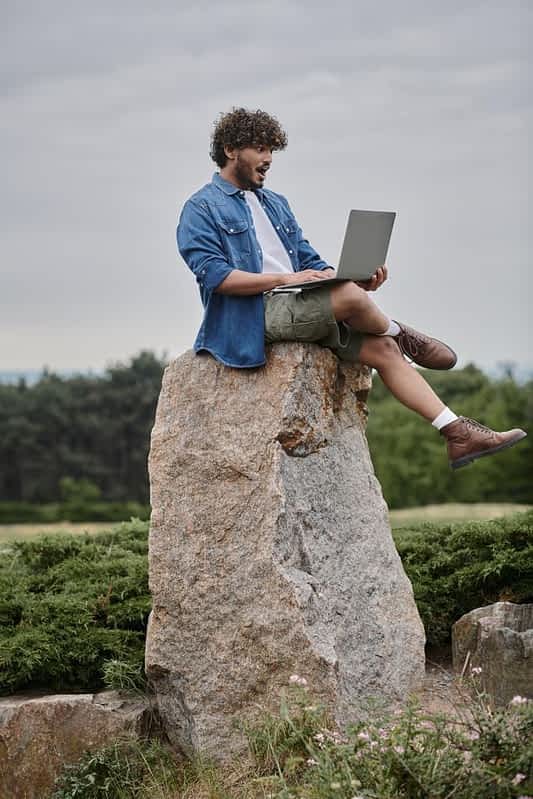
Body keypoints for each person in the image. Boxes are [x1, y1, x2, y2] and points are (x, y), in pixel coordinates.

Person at [177, 107, 526, 470]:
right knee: (354, 302)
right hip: (253, 314)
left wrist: (349, 276)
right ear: (231, 150)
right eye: (260, 149)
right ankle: (405, 333)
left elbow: (309, 260)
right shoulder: (201, 207)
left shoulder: (275, 204)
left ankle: (456, 433)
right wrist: (287, 279)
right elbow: (217, 278)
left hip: (301, 304)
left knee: (384, 348)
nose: (267, 159)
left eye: (271, 151)